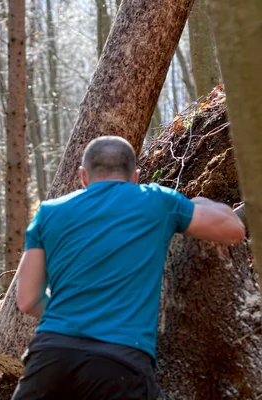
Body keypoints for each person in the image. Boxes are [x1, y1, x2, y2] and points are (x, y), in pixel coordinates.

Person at [12, 136, 245, 399]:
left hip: (51, 358)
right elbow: (234, 230)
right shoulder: (157, 202)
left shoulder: (49, 212)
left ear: (83, 177)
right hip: (119, 362)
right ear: (135, 177)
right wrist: (200, 203)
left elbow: (28, 300)